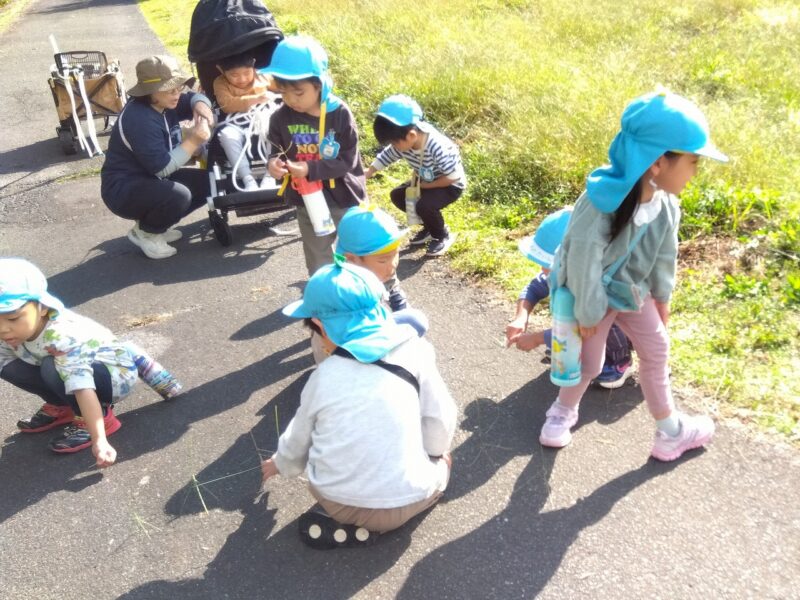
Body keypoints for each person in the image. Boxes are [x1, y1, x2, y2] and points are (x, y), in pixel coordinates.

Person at [538, 90, 728, 461]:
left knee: (657, 350)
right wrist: (589, 314)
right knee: (589, 364)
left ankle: (670, 432)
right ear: (657, 162)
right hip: (589, 296)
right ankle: (561, 413)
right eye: (693, 161)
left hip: (630, 292)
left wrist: (662, 299)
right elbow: (582, 261)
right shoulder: (600, 202)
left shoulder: (667, 205)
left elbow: (665, 256)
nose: (695, 172)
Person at [261, 261, 456, 549]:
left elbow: (298, 437)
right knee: (444, 461)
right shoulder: (418, 352)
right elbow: (440, 419)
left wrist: (281, 464)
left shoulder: (323, 376)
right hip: (403, 505)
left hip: (334, 500)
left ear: (319, 325)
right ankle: (378, 527)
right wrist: (436, 455)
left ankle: (351, 524)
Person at [0, 258, 182, 467]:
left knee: (53, 367)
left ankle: (100, 419)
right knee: (10, 363)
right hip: (62, 367)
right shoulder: (12, 330)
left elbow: (81, 386)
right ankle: (63, 406)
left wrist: (99, 440)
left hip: (113, 374)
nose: (3, 329)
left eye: (12, 318)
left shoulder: (63, 338)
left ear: (42, 307)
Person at [264, 36, 367, 276]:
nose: (291, 100)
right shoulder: (279, 118)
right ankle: (324, 293)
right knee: (317, 256)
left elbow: (347, 161)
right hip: (307, 199)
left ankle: (386, 288)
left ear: (319, 84)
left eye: (299, 92)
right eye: (284, 93)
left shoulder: (339, 114)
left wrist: (310, 169)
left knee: (360, 249)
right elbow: (276, 151)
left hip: (345, 196)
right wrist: (274, 164)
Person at [506, 207, 634, 389]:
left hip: (605, 326)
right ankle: (570, 349)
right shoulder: (561, 275)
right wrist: (521, 317)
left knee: (606, 322)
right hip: (583, 328)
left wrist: (538, 338)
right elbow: (534, 288)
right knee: (566, 313)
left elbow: (584, 328)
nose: (543, 270)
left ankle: (618, 362)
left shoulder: (599, 285)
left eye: (548, 265)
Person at [101, 55, 214, 259]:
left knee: (209, 182)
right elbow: (162, 168)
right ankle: (147, 233)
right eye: (170, 89)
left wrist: (201, 108)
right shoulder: (140, 119)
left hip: (148, 179)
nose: (177, 94)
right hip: (123, 189)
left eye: (179, 87)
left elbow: (193, 98)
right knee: (179, 195)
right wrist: (194, 141)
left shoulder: (163, 102)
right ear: (150, 91)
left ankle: (157, 225)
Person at [366, 94, 466, 257]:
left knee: (425, 205)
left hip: (450, 184)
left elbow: (454, 177)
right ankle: (429, 227)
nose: (393, 146)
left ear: (412, 135)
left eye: (394, 143)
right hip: (426, 180)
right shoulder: (403, 140)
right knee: (398, 195)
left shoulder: (438, 146)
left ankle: (442, 235)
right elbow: (388, 155)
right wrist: (369, 171)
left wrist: (427, 186)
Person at [335, 204, 428, 335]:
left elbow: (393, 289)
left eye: (396, 253)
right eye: (383, 260)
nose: (393, 264)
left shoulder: (381, 270)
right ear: (351, 259)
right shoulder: (343, 292)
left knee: (414, 321)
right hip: (350, 337)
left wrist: (402, 310)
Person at [213, 53, 278, 191]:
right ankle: (247, 178)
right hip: (235, 122)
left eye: (247, 73)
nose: (242, 79)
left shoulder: (262, 76)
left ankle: (270, 175)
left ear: (253, 66)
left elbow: (284, 87)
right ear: (222, 71)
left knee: (276, 128)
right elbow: (226, 104)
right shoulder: (220, 83)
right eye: (234, 75)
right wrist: (255, 98)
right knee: (227, 136)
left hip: (263, 119)